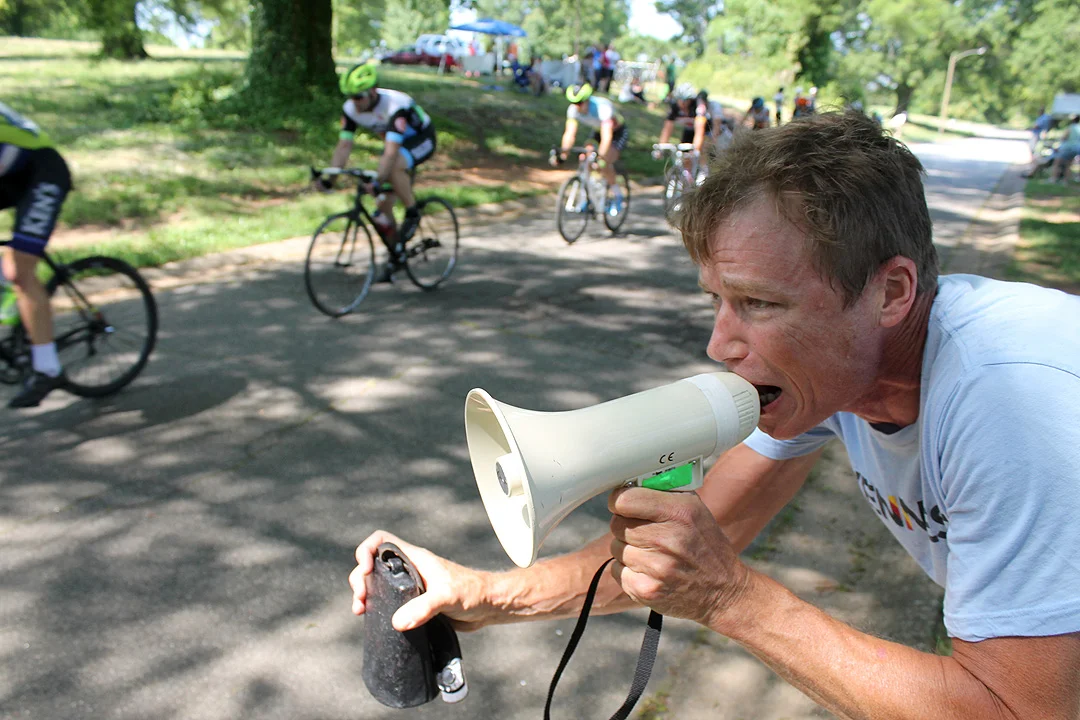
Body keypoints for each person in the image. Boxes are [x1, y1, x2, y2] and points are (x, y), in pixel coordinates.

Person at [351, 110, 1080, 718]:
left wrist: (734, 598)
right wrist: (483, 594)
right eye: (717, 299)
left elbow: (1015, 710)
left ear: (890, 293)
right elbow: (713, 529)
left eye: (759, 303)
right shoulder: (834, 380)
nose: (719, 342)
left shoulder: (1016, 407)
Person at [321, 62, 436, 283]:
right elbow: (344, 146)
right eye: (351, 97)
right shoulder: (351, 109)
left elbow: (391, 154)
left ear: (373, 92)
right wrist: (330, 179)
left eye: (359, 97)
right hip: (396, 146)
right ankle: (397, 255)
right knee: (382, 213)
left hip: (421, 139)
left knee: (391, 168)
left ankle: (413, 212)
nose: (355, 102)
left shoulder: (395, 106)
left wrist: (377, 182)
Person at [0, 102, 71, 408]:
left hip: (43, 172)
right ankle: (9, 300)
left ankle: (47, 368)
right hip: (12, 174)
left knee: (21, 272)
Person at [550, 83, 628, 217]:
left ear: (587, 100)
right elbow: (569, 134)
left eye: (580, 102)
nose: (576, 106)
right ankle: (588, 196)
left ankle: (617, 195)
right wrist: (563, 155)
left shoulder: (602, 109)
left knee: (604, 162)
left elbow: (607, 137)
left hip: (616, 133)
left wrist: (601, 157)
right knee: (585, 157)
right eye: (573, 102)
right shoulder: (573, 110)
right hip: (598, 131)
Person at [1050, 114, 1080, 183]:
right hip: (1076, 148)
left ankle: (1053, 178)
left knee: (1057, 163)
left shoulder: (1070, 128)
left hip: (1067, 148)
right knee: (1068, 165)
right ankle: (1065, 180)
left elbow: (1064, 138)